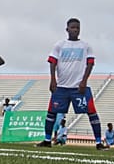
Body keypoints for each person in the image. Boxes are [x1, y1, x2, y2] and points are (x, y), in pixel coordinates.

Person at [35, 18, 105, 150]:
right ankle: (47, 140)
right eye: (73, 27)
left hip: (79, 87)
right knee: (51, 112)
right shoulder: (59, 45)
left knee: (91, 112)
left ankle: (98, 142)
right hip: (61, 87)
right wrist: (53, 79)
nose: (75, 30)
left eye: (78, 28)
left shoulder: (86, 46)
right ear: (67, 29)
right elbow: (52, 62)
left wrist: (84, 81)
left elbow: (90, 63)